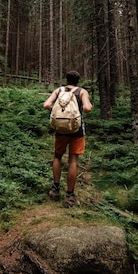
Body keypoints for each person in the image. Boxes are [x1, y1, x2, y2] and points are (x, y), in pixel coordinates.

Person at [43, 70, 93, 208]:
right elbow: (87, 108)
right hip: (76, 130)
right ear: (78, 80)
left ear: (67, 80)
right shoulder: (82, 91)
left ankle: (55, 190)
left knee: (57, 157)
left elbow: (46, 105)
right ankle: (70, 197)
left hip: (60, 129)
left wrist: (58, 111)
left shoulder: (58, 90)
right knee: (73, 160)